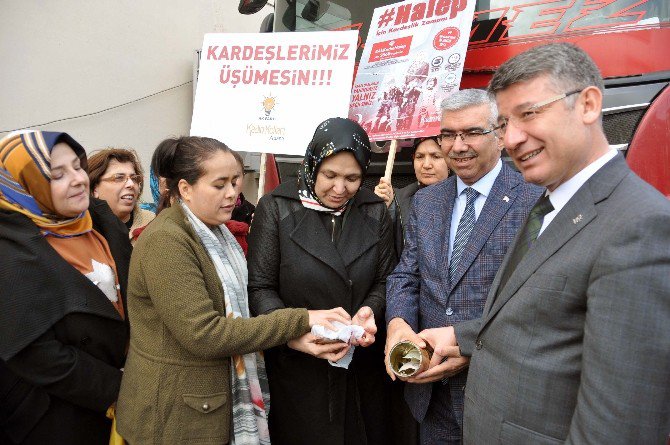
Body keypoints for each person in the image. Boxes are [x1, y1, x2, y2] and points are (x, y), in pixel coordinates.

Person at [419, 43, 670, 444]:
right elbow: (547, 320)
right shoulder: (547, 203)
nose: (514, 138)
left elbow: (619, 426)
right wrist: (460, 337)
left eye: (530, 113)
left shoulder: (642, 227)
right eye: (503, 124)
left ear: (588, 105)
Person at [115, 136, 349, 444]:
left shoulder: (216, 231)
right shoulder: (167, 241)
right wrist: (301, 320)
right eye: (219, 184)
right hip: (175, 418)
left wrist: (294, 340)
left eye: (235, 182)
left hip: (204, 406)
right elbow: (205, 334)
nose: (232, 194)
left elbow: (240, 314)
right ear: (185, 188)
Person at [385, 88, 543, 444]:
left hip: (503, 397)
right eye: (448, 135)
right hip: (434, 400)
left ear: (500, 135)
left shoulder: (534, 199)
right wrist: (397, 325)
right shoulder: (426, 202)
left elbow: (537, 299)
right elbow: (406, 276)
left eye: (471, 132)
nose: (457, 146)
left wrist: (471, 345)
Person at [247, 117, 395, 445]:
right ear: (312, 164)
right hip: (297, 365)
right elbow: (260, 288)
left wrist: (370, 310)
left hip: (360, 365)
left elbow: (386, 279)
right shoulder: (277, 208)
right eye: (330, 175)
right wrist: (295, 331)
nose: (339, 188)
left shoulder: (374, 212)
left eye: (352, 178)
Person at [0, 131, 131, 445]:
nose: (78, 179)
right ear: (22, 185)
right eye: (57, 175)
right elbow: (34, 352)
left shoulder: (100, 222)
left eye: (78, 166)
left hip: (128, 402)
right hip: (55, 414)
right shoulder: (10, 248)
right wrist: (118, 388)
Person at [375, 136, 451, 255]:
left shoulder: (465, 198)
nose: (426, 165)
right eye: (420, 157)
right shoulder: (397, 200)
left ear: (450, 160)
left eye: (436, 156)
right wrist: (381, 210)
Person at [87, 148, 155, 244]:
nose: (131, 184)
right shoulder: (83, 229)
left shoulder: (153, 222)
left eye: (134, 178)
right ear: (94, 189)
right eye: (119, 178)